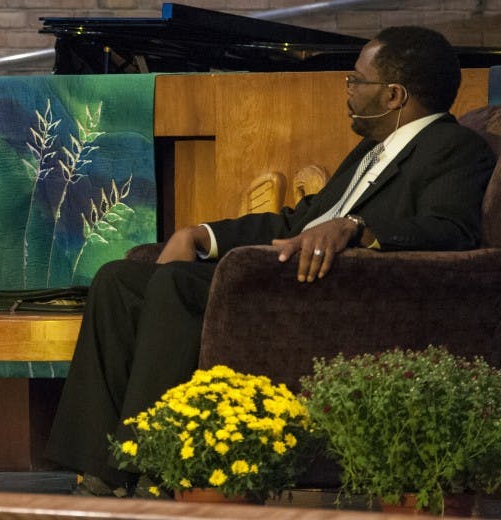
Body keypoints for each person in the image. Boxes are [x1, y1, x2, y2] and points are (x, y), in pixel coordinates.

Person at [44, 26, 498, 496]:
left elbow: (453, 230)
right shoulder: (371, 151)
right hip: (282, 279)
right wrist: (202, 235)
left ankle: (151, 466)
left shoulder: (455, 149)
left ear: (393, 95)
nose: (348, 90)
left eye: (355, 81)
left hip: (330, 294)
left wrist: (359, 228)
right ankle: (99, 470)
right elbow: (300, 219)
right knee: (119, 279)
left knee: (176, 285)